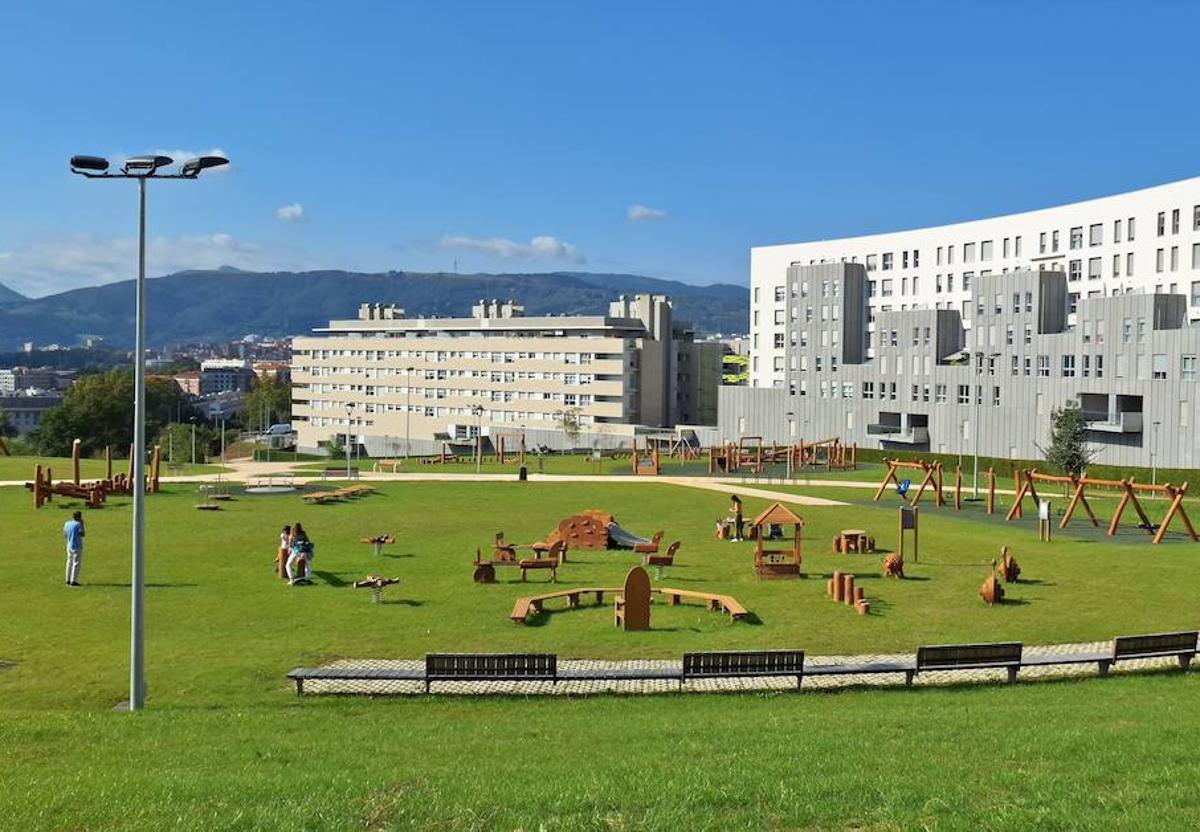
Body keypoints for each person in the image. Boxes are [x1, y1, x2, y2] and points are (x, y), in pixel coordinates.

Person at [63, 511, 85, 586]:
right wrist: (82, 524)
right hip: (77, 545)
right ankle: (74, 580)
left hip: (69, 545)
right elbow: (82, 533)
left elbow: (65, 534)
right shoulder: (78, 524)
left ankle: (67, 579)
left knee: (69, 562)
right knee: (76, 563)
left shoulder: (67, 523)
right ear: (79, 517)